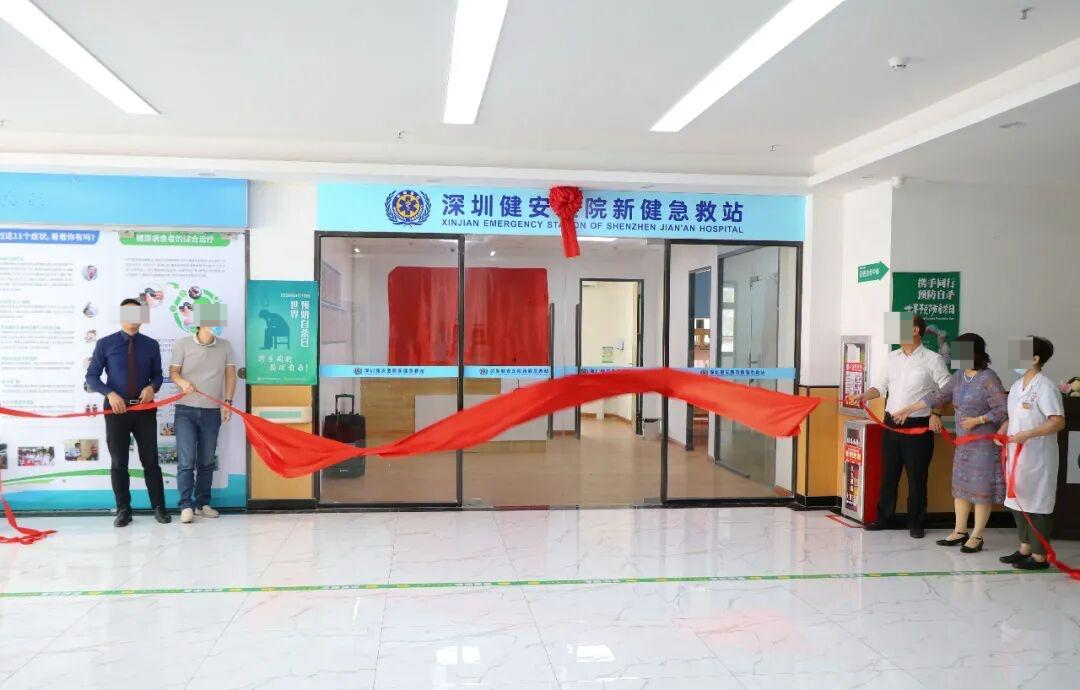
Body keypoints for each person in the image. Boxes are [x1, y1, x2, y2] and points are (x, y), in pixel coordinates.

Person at [891, 333, 1008, 553]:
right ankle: (959, 531)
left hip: (983, 446)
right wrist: (908, 409)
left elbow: (1002, 409)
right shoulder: (959, 376)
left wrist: (979, 420)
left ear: (974, 352)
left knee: (980, 491)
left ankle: (977, 536)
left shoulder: (989, 378)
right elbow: (938, 397)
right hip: (963, 445)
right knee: (961, 489)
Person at [850, 314, 950, 538]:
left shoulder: (932, 359)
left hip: (918, 426)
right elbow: (880, 387)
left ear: (915, 330)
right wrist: (864, 396)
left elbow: (946, 391)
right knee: (889, 474)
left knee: (917, 477)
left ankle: (916, 522)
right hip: (891, 424)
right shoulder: (891, 358)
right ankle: (884, 518)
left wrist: (936, 414)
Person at [85, 298, 170, 527]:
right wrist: (110, 394)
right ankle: (124, 509)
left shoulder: (151, 345)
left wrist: (152, 388)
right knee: (119, 461)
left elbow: (158, 375)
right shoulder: (105, 344)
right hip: (116, 410)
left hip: (144, 409)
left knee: (151, 460)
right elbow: (91, 376)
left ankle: (159, 507)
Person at [1000, 336, 1066, 570]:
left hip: (1037, 457)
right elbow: (1013, 417)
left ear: (1035, 359)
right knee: (1017, 500)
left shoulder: (1045, 387)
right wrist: (1002, 430)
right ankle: (1025, 548)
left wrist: (1028, 434)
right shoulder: (1017, 386)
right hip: (1016, 455)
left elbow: (1057, 422)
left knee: (1037, 504)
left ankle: (1039, 557)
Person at [169, 318, 237, 524]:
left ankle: (202, 504)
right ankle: (186, 505)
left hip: (212, 411)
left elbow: (230, 376)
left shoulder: (226, 346)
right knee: (186, 461)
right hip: (185, 410)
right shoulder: (183, 344)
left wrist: (228, 403)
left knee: (207, 461)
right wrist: (183, 383)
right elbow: (173, 372)